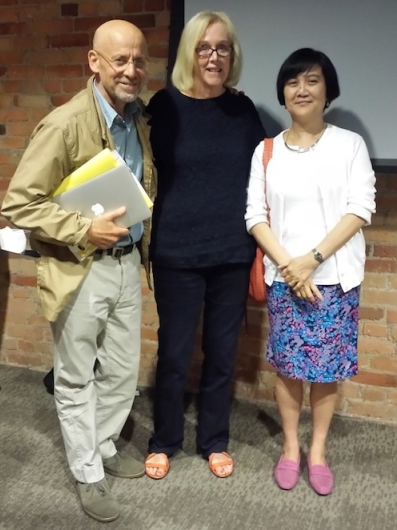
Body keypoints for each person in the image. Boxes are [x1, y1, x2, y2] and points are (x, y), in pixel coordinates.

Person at [2, 20, 157, 522]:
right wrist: (81, 229)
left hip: (127, 262)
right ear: (94, 62)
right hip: (79, 266)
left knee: (121, 372)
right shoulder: (65, 124)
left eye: (138, 60)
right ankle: (88, 472)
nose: (131, 70)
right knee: (74, 378)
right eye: (120, 60)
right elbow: (19, 203)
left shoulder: (137, 119)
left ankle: (105, 443)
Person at [245, 48, 376, 495]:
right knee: (288, 368)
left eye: (312, 80)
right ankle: (289, 448)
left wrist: (311, 260)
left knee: (325, 371)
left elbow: (360, 208)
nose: (302, 89)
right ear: (282, 93)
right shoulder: (267, 151)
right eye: (292, 81)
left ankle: (317, 450)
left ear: (327, 90)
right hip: (286, 280)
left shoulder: (350, 144)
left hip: (334, 278)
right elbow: (254, 217)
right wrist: (289, 265)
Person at [144, 11, 266, 480]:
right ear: (190, 53)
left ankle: (214, 440)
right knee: (174, 353)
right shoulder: (164, 106)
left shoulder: (243, 110)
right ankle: (165, 440)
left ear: (231, 55)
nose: (214, 57)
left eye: (223, 48)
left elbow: (261, 176)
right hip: (176, 252)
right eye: (204, 47)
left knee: (221, 352)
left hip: (233, 253)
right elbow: (143, 172)